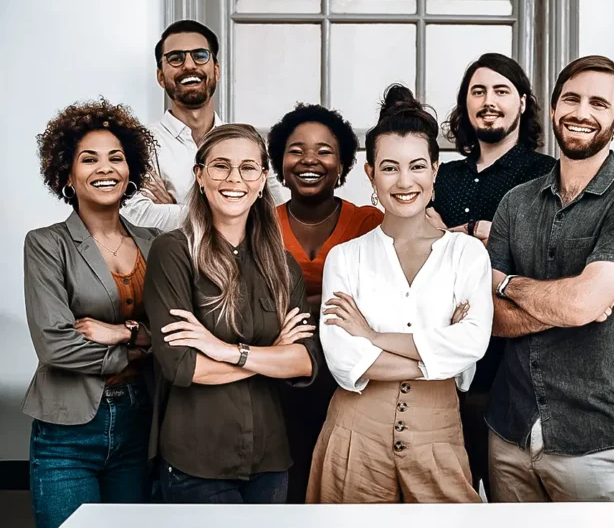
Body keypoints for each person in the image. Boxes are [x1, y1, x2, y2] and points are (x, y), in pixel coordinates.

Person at [485, 56, 614, 506]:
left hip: (594, 438)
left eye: (598, 103)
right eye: (571, 99)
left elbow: (582, 304)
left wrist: (506, 284)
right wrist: (571, 306)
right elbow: (486, 319)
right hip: (510, 431)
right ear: (551, 108)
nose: (581, 112)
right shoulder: (515, 203)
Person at [306, 85, 493, 503]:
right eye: (389, 168)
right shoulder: (346, 257)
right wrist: (439, 356)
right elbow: (343, 361)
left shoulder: (467, 254)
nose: (404, 182)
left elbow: (473, 343)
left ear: (435, 170)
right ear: (370, 174)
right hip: (353, 438)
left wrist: (373, 338)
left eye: (417, 167)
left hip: (438, 437)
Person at [144, 123, 322, 504]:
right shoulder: (172, 252)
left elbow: (306, 362)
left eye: (247, 168)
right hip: (196, 458)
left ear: (261, 182)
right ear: (200, 176)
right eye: (221, 166)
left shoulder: (282, 265)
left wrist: (225, 350)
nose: (234, 179)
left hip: (270, 456)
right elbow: (183, 366)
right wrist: (271, 353)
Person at [24, 98, 159, 528]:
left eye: (116, 158)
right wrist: (141, 347)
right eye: (89, 159)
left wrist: (122, 333)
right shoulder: (46, 244)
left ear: (130, 171)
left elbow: (174, 333)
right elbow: (55, 345)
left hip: (142, 425)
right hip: (67, 431)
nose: (105, 168)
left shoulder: (157, 243)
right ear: (68, 175)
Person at [427, 53, 555, 496]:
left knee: (510, 509)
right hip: (442, 372)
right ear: (465, 105)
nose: (489, 101)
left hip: (516, 374)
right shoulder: (442, 177)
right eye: (477, 92)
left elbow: (549, 258)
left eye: (501, 91)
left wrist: (478, 235)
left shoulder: (546, 175)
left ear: (522, 103)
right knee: (447, 501)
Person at [266, 104, 383, 502]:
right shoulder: (258, 225)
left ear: (344, 165)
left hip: (351, 385)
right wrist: (334, 302)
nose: (309, 159)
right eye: (296, 150)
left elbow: (378, 304)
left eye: (324, 150)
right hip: (277, 384)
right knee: (288, 490)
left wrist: (296, 306)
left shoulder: (369, 223)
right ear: (280, 164)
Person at [121, 20, 286, 230]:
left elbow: (276, 216)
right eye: (175, 58)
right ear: (161, 77)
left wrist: (175, 209)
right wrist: (233, 211)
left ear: (216, 70)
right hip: (167, 263)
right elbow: (135, 216)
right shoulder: (138, 144)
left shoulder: (249, 144)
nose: (189, 65)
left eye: (200, 56)